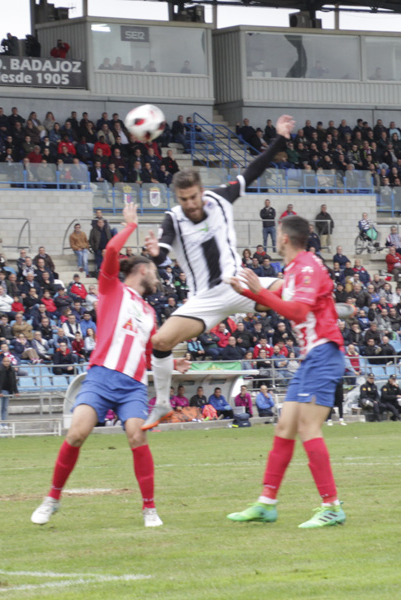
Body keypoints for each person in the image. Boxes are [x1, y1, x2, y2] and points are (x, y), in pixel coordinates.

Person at [32, 202, 187, 529]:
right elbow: (110, 252)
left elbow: (151, 354)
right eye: (155, 271)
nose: (158, 278)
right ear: (142, 270)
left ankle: (149, 509)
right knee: (76, 434)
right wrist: (128, 225)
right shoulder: (111, 289)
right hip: (101, 378)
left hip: (131, 385)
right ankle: (52, 499)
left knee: (136, 436)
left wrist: (175, 363)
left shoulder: (149, 313)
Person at [140, 114, 295, 430]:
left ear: (201, 191)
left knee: (288, 287)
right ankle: (162, 404)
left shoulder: (220, 198)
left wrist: (280, 139)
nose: (191, 204)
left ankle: (328, 312)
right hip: (204, 299)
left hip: (238, 283)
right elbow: (164, 251)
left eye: (194, 197)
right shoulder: (172, 218)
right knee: (160, 341)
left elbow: (255, 168)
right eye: (184, 200)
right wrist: (155, 256)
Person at [225, 214, 347, 528]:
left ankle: (331, 506)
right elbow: (274, 301)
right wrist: (245, 290)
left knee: (308, 428)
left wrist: (260, 292)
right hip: (312, 357)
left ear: (283, 237)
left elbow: (297, 311)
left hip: (323, 352)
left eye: (277, 232)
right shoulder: (295, 269)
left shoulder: (306, 267)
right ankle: (267, 503)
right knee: (285, 428)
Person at [0, 354, 18, 421]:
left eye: (8, 361)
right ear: (3, 362)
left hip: (7, 391)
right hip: (0, 391)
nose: (6, 363)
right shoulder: (0, 369)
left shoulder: (12, 369)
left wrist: (16, 391)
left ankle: (4, 423)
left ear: (10, 362)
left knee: (5, 408)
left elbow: (14, 381)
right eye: (5, 361)